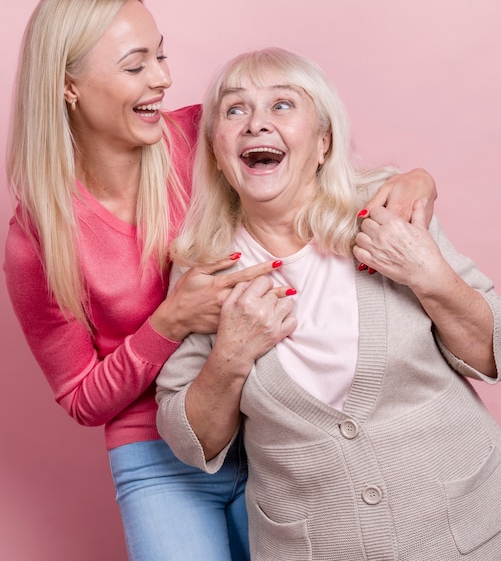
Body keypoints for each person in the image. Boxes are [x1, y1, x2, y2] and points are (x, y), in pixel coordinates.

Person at [3, 0, 436, 560]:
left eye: (161, 55)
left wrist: (410, 180)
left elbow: (315, 172)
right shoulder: (35, 238)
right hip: (158, 459)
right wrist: (168, 324)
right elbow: (81, 397)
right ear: (68, 86)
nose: (163, 78)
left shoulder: (204, 137)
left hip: (274, 426)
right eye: (136, 66)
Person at [156, 47, 501, 560]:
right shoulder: (203, 265)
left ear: (323, 143)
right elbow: (188, 439)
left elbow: (492, 351)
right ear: (216, 149)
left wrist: (432, 277)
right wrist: (230, 354)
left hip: (469, 532)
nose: (255, 124)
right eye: (234, 110)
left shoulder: (388, 212)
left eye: (282, 105)